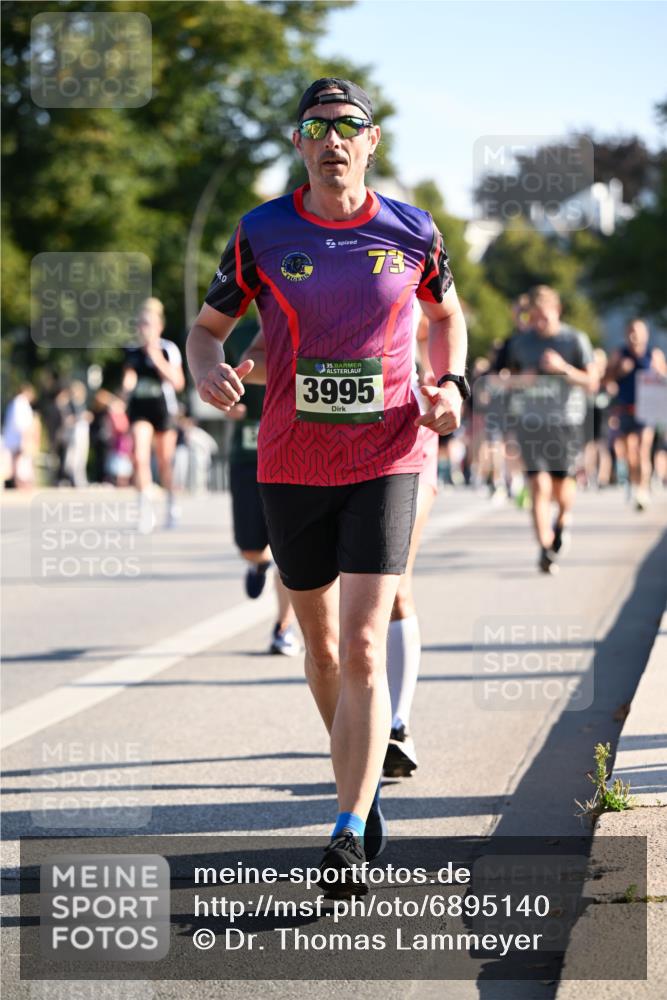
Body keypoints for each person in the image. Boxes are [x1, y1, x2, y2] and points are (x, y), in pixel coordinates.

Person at [186, 78, 468, 896]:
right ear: (300, 144)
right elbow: (207, 334)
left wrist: (451, 385)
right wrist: (209, 376)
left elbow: (445, 318)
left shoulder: (412, 232)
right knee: (319, 648)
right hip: (290, 460)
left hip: (389, 455)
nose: (333, 140)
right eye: (317, 127)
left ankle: (347, 822)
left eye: (348, 126)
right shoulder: (260, 233)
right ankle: (363, 777)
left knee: (364, 643)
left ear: (370, 142)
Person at [501, 285, 598, 574]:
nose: (538, 323)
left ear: (557, 311)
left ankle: (564, 521)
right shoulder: (521, 343)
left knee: (562, 489)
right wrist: (521, 380)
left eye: (544, 316)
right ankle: (545, 547)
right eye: (534, 317)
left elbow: (592, 382)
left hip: (566, 421)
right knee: (538, 486)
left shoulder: (574, 340)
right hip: (531, 422)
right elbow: (508, 379)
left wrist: (564, 368)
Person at [225, 319, 301, 656]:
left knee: (291, 553)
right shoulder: (235, 333)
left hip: (293, 450)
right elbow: (211, 375)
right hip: (247, 450)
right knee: (250, 546)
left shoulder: (305, 322)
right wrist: (225, 401)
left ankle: (282, 627)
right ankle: (258, 562)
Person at [122, 297, 185, 531]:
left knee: (164, 462)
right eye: (140, 324)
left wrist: (155, 357)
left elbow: (178, 382)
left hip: (163, 410)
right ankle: (144, 509)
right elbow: (129, 378)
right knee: (139, 457)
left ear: (159, 326)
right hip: (140, 410)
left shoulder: (168, 349)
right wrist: (124, 391)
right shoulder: (132, 351)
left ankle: (171, 504)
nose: (143, 329)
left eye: (147, 324)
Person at [606, 319, 667, 511]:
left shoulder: (653, 355)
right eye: (631, 332)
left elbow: (664, 379)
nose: (634, 336)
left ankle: (642, 490)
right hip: (625, 408)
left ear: (646, 334)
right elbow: (605, 378)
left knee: (643, 449)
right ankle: (635, 483)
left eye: (638, 332)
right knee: (629, 453)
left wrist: (658, 373)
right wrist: (619, 371)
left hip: (647, 410)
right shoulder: (620, 354)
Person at [2, 384, 37, 489]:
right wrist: (26, 435)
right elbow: (20, 422)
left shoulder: (17, 403)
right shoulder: (20, 403)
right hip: (18, 436)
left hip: (16, 436)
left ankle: (14, 481)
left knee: (16, 459)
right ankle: (17, 481)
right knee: (18, 459)